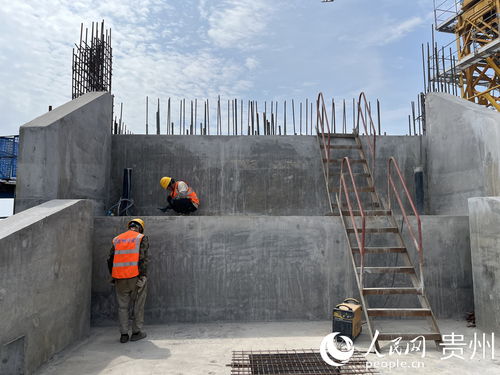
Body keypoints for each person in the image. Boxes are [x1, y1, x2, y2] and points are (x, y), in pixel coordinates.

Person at [107, 218, 149, 343]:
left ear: (129, 226)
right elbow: (143, 258)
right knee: (138, 305)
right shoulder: (141, 238)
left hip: (119, 278)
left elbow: (110, 259)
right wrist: (143, 276)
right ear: (140, 228)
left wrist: (113, 275)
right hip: (135, 277)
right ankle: (136, 332)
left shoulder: (117, 239)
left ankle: (124, 334)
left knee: (122, 307)